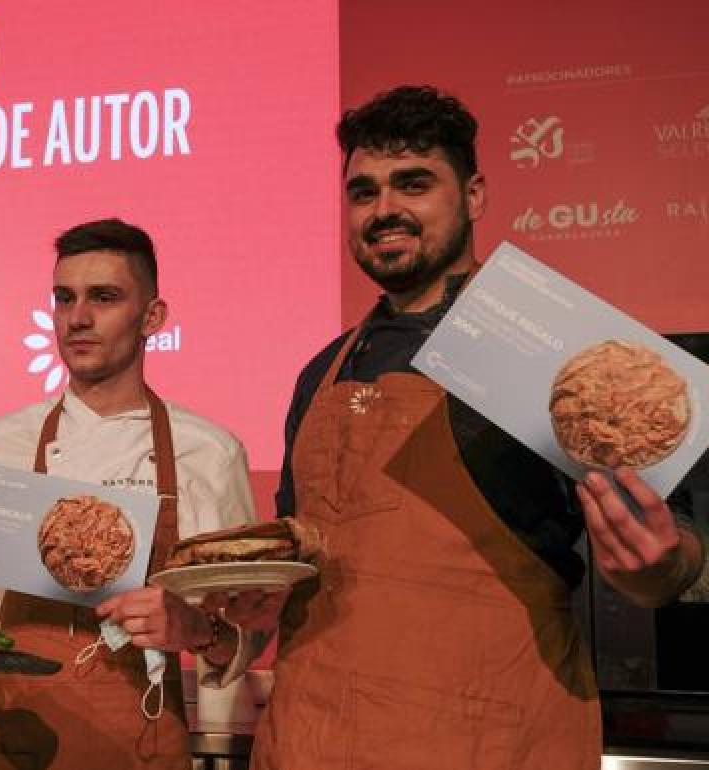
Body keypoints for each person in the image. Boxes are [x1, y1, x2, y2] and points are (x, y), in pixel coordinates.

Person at [243, 85, 706, 770]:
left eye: (414, 184)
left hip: (481, 745)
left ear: (476, 196)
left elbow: (673, 550)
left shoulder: (550, 354)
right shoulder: (321, 370)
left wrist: (658, 565)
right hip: (309, 741)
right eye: (363, 192)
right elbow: (293, 550)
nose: (385, 210)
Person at [0, 218, 260, 770]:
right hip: (13, 741)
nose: (78, 318)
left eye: (105, 297)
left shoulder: (208, 452)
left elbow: (247, 632)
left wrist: (195, 629)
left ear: (153, 316)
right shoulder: (2, 441)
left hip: (137, 745)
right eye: (65, 298)